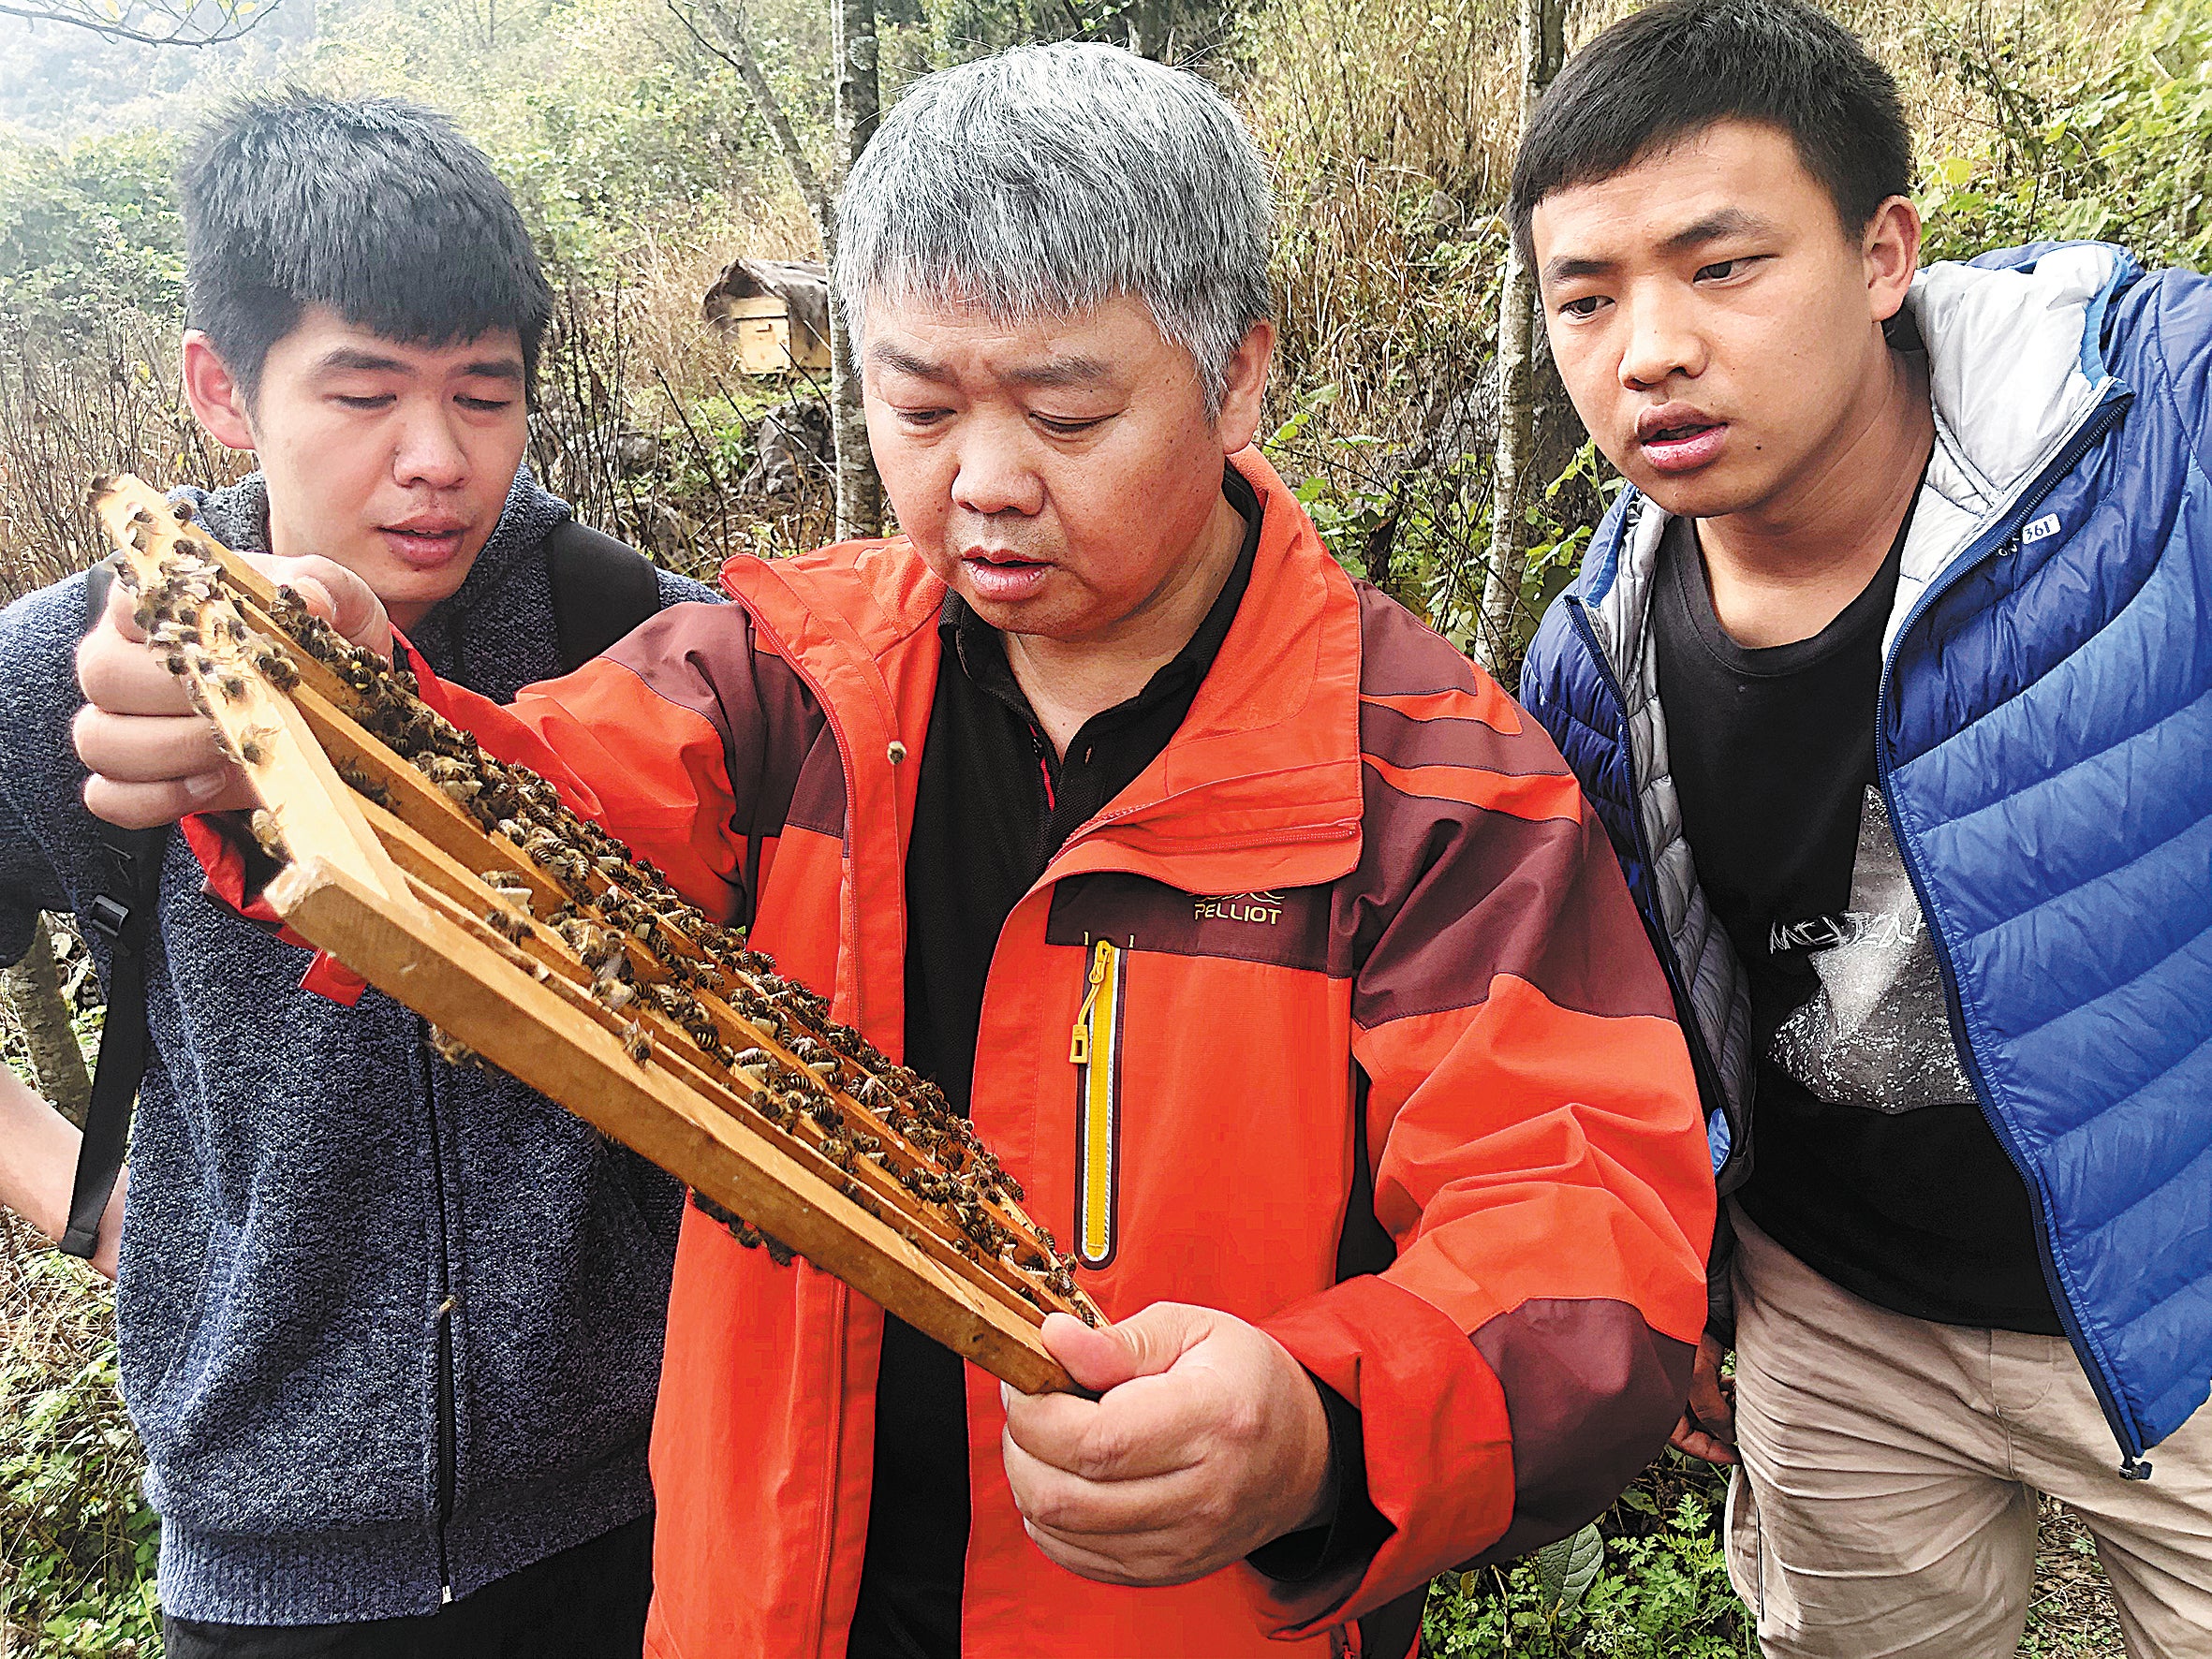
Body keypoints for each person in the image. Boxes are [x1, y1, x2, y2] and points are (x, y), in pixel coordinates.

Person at [75, 44, 1717, 1659]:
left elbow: (1584, 1224)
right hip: (766, 1598)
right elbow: (527, 804)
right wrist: (322, 703)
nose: (984, 485)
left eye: (1067, 412)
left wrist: (1312, 1422)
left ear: (1236, 377)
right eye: (917, 405)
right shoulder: (780, 683)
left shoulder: (1425, 776)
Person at [1512, 2, 2212, 1654]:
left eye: (1720, 266)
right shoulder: (1592, 661)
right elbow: (1628, 1008)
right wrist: (1664, 1263)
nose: (1649, 350)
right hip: (1838, 1324)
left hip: (2179, 1289)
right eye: (1585, 298)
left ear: (1883, 252)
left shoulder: (2151, 438)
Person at [0, 93, 716, 1655]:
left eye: (483, 392)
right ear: (220, 388)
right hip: (273, 1569)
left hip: (645, 1516)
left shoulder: (628, 636)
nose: (435, 459)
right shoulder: (76, 666)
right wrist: (85, 1198)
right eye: (366, 392)